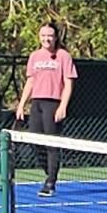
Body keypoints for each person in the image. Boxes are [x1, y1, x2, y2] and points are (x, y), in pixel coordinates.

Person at [19, 19, 77, 196]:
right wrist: (22, 104)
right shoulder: (34, 56)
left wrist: (63, 106)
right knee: (35, 141)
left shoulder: (63, 56)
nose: (46, 39)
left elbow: (68, 83)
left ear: (56, 37)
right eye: (43, 36)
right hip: (37, 103)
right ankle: (49, 171)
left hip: (53, 103)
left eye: (50, 36)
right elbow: (30, 81)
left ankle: (51, 181)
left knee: (52, 143)